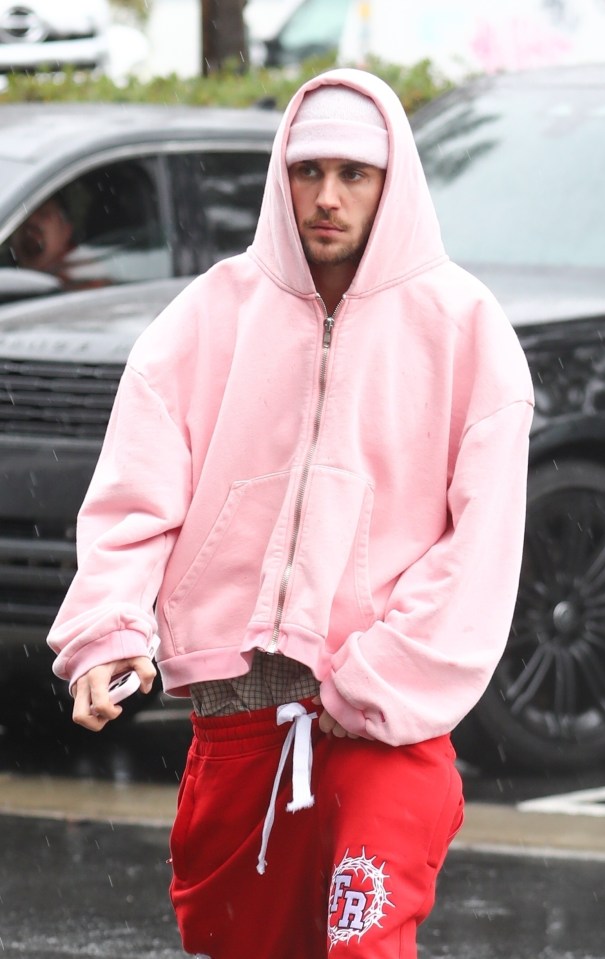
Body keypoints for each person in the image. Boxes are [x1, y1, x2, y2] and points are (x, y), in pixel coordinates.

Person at [47, 69, 534, 958]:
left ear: (395, 179)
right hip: (235, 720)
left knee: (363, 946)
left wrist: (378, 679)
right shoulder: (208, 317)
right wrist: (108, 631)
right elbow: (134, 495)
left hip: (384, 729)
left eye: (356, 173)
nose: (328, 197)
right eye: (309, 171)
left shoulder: (465, 328)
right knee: (233, 944)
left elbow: (484, 542)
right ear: (282, 174)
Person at [10, 195, 75, 278]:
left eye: (43, 214)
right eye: (22, 217)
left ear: (66, 230)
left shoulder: (80, 279)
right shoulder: (9, 277)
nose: (31, 220)